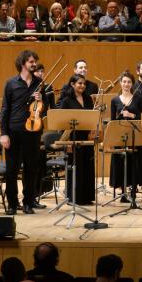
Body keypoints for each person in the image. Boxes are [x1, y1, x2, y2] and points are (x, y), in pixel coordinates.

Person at [0, 50, 44, 215]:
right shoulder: (11, 83)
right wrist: (3, 133)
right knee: (12, 169)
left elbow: (43, 109)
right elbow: (4, 109)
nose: (34, 64)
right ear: (23, 63)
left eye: (35, 62)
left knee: (31, 169)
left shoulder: (39, 83)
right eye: (31, 61)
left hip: (33, 131)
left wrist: (41, 100)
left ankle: (28, 202)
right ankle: (12, 203)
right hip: (13, 131)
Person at [109, 71, 142, 202]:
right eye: (124, 81)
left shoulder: (138, 98)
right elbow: (113, 120)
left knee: (134, 161)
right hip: (120, 136)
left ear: (132, 83)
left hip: (135, 135)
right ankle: (123, 191)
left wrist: (132, 116)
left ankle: (133, 189)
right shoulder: (114, 100)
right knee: (120, 162)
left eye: (129, 82)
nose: (126, 84)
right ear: (120, 83)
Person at [59, 73, 97, 206]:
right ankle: (74, 197)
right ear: (72, 84)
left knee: (87, 166)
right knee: (76, 166)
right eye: (79, 83)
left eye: (84, 83)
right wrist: (67, 142)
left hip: (86, 137)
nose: (82, 86)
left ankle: (87, 197)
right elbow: (62, 123)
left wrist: (93, 130)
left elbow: (92, 116)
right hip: (73, 137)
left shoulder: (88, 99)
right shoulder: (66, 100)